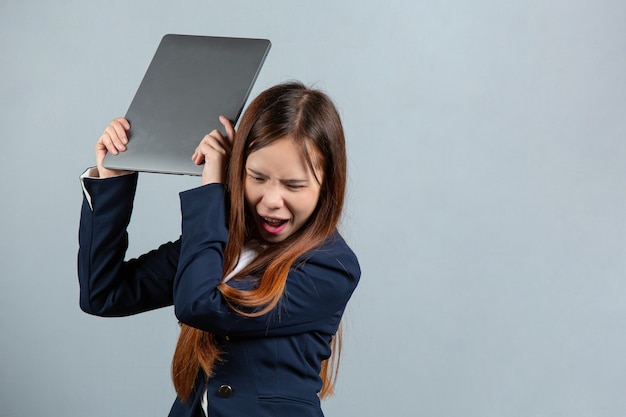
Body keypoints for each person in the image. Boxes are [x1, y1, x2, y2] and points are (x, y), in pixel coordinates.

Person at [77, 81, 361, 417]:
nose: (271, 201)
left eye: (293, 185)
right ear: (238, 169)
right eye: (256, 177)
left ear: (327, 185)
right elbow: (104, 293)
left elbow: (201, 305)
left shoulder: (331, 267)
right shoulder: (219, 242)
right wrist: (113, 178)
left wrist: (212, 190)